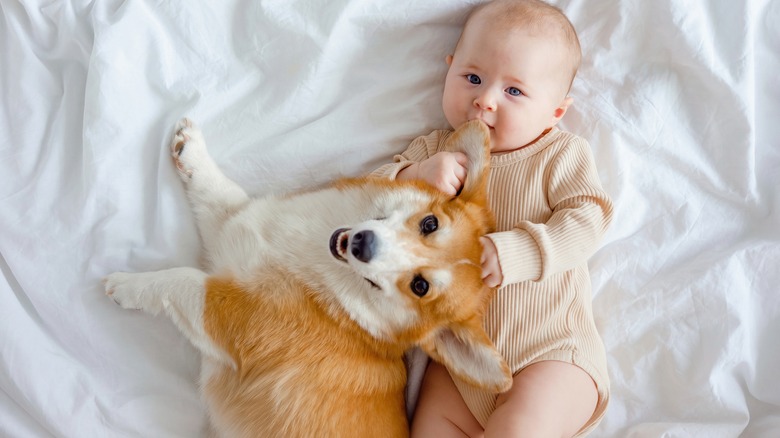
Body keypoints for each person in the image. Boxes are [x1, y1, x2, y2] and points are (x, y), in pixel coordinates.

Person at [370, 0, 613, 436]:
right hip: (460, 363)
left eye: (514, 91)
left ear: (556, 111)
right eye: (473, 78)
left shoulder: (558, 154)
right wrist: (415, 176)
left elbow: (587, 220)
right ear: (449, 69)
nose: (484, 100)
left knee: (519, 429)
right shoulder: (434, 151)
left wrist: (522, 251)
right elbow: (366, 200)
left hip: (551, 352)